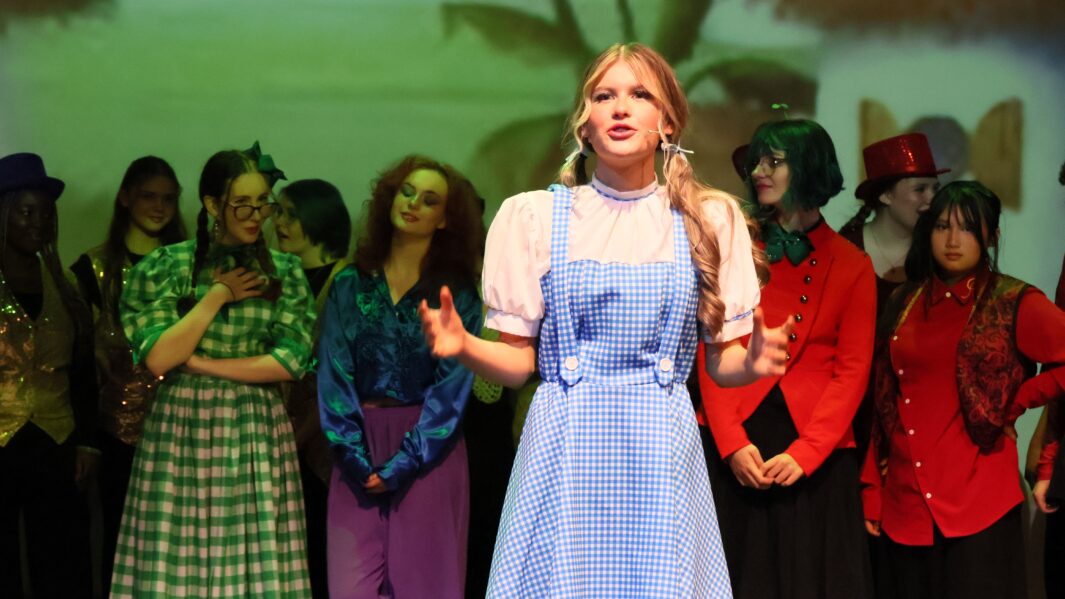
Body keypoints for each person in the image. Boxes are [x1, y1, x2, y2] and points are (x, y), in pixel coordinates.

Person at [419, 43, 792, 598]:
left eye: (640, 95)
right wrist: (467, 346)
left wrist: (754, 363)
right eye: (604, 95)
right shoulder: (536, 217)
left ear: (667, 121)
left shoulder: (708, 219)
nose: (621, 108)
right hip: (565, 444)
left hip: (658, 449)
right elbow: (520, 364)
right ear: (583, 124)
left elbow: (723, 363)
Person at [110, 143, 317, 598]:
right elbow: (160, 357)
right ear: (212, 205)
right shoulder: (167, 267)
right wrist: (216, 297)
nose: (255, 214)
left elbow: (288, 361)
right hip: (182, 428)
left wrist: (202, 363)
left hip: (253, 428)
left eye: (262, 202)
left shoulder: (283, 271)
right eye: (242, 203)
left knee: (254, 559)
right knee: (177, 558)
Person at [697, 119, 876, 599]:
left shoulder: (853, 264)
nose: (759, 171)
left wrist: (808, 452)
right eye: (758, 160)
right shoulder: (733, 248)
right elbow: (712, 348)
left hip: (811, 452)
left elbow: (852, 370)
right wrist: (731, 443)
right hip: (732, 438)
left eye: (773, 161)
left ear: (809, 168)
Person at [861, 181, 1065, 599]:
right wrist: (871, 489)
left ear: (991, 235)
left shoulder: (1013, 301)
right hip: (906, 505)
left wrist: (1018, 402)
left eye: (968, 229)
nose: (952, 241)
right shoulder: (904, 301)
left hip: (979, 502)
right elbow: (884, 401)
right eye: (941, 227)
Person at [317, 155, 484, 599]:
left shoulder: (456, 294)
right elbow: (334, 375)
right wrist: (354, 457)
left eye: (429, 200)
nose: (412, 203)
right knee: (350, 587)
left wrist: (403, 463)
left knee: (424, 586)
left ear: (445, 219)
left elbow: (451, 392)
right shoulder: (350, 283)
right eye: (407, 191)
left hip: (429, 451)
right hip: (357, 445)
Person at [70, 155, 187, 593]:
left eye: (169, 199)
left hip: (180, 423)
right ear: (125, 198)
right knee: (120, 539)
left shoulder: (190, 266)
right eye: (148, 197)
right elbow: (79, 359)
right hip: (115, 429)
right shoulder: (91, 269)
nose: (159, 207)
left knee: (176, 540)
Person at [0, 152, 97, 599]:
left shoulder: (64, 285)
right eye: (26, 211)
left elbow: (81, 369)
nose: (38, 222)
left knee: (61, 561)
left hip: (55, 440)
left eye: (46, 213)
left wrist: (88, 440)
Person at [838, 133, 948, 459]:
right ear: (885, 195)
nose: (931, 199)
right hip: (854, 404)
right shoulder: (845, 250)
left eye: (934, 189)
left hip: (916, 404)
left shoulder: (941, 252)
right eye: (919, 189)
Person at [275, 177, 352, 599]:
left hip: (326, 443)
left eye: (289, 213)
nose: (277, 223)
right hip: (277, 435)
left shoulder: (348, 281)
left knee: (323, 556)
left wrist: (300, 431)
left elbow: (344, 373)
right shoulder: (274, 279)